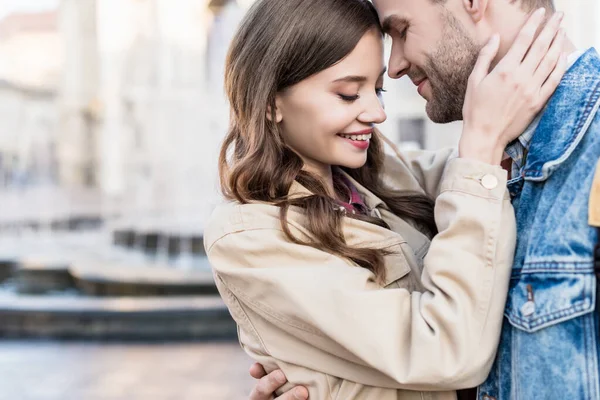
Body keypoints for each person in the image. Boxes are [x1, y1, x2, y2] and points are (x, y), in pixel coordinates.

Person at [205, 0, 566, 399]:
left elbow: (490, 169)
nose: (377, 113)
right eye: (347, 94)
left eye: (377, 89)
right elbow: (445, 352)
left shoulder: (378, 179)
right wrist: (481, 145)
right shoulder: (250, 237)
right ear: (272, 101)